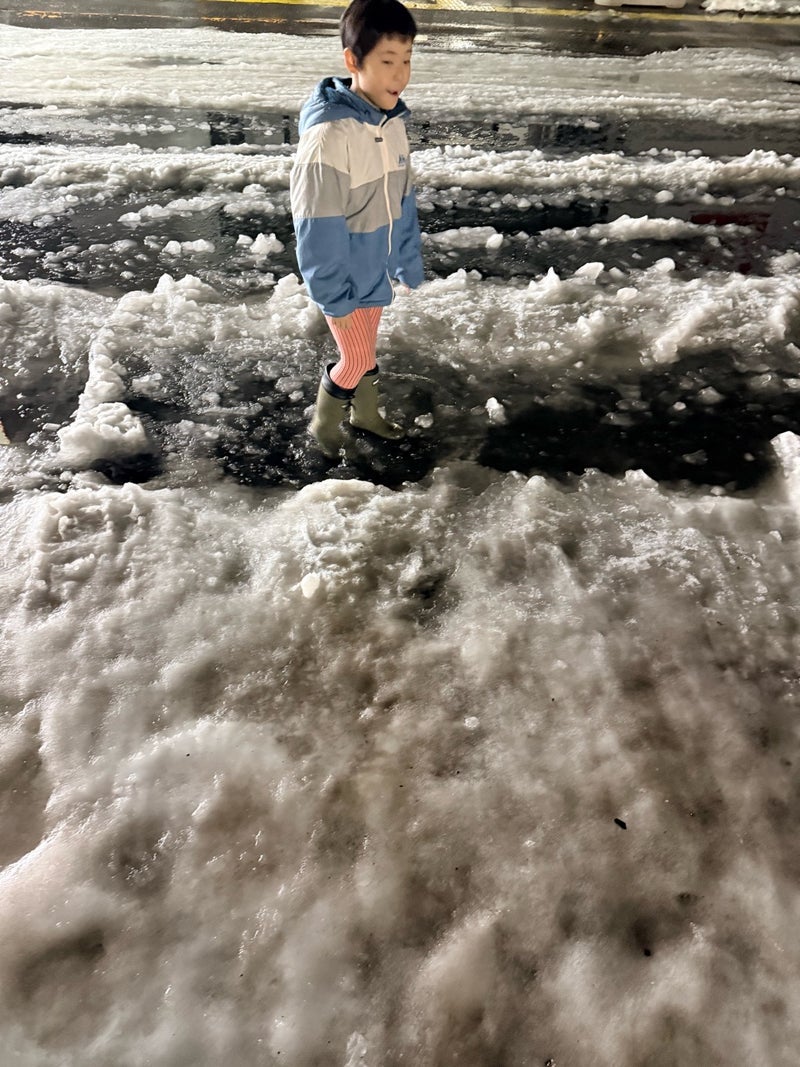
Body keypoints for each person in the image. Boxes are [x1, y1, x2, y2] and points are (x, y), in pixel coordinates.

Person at [289, 0, 425, 457]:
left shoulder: (392, 123)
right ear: (353, 61)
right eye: (387, 61)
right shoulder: (330, 136)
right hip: (344, 276)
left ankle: (365, 415)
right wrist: (334, 295)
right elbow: (317, 225)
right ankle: (323, 422)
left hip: (374, 269)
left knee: (366, 350)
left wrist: (405, 260)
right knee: (357, 357)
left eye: (406, 60)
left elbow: (402, 200)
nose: (400, 74)